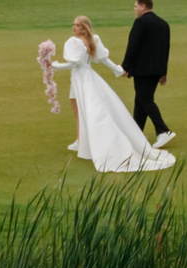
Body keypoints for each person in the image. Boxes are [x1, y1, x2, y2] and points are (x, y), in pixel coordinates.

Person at [57, 16, 175, 173]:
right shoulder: (90, 40)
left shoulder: (77, 42)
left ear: (84, 28)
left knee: (88, 109)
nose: (74, 27)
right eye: (73, 25)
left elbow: (76, 63)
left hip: (81, 78)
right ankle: (80, 139)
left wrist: (56, 66)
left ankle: (93, 142)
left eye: (77, 25)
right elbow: (104, 60)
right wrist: (118, 70)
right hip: (82, 77)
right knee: (77, 107)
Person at [119, 0, 175, 147]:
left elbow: (133, 45)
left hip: (143, 70)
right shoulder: (163, 24)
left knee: (145, 100)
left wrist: (125, 66)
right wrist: (164, 72)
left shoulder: (140, 22)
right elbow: (165, 49)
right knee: (141, 100)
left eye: (136, 6)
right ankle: (136, 133)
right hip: (156, 70)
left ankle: (163, 131)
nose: (135, 9)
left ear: (143, 6)